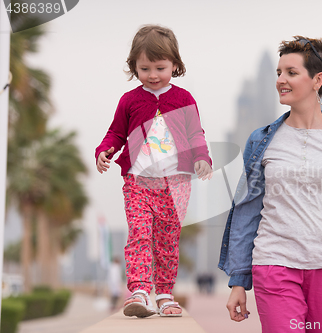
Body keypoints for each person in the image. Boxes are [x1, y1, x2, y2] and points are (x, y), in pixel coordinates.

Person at [218, 36, 322, 332]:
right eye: (278, 73)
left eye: (291, 72)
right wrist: (239, 280)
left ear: (318, 79)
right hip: (274, 264)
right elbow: (246, 210)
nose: (281, 80)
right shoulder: (261, 140)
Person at [95, 25, 212, 318]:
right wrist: (104, 151)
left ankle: (164, 293)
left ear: (175, 65)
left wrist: (201, 158)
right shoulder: (130, 100)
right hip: (138, 182)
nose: (153, 75)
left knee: (167, 240)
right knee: (140, 231)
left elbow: (196, 134)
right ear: (134, 66)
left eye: (160, 67)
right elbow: (115, 134)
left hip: (175, 184)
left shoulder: (184, 99)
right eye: (144, 68)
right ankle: (138, 290)